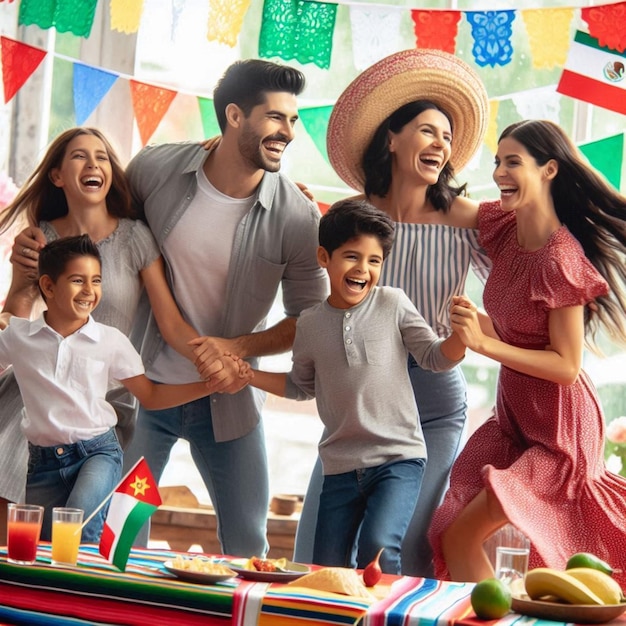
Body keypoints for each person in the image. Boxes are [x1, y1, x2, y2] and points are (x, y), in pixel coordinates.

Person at [295, 49, 491, 576]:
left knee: (399, 550)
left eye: (448, 137)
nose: (440, 144)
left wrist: (489, 338)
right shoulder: (350, 218)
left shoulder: (467, 219)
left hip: (432, 404)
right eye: (429, 130)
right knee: (315, 554)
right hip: (357, 403)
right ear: (392, 137)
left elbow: (517, 291)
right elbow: (323, 309)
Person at [122, 58, 328, 556]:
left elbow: (310, 320)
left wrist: (235, 349)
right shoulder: (154, 170)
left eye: (294, 121)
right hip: (146, 394)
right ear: (235, 115)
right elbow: (106, 239)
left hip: (229, 401)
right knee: (121, 534)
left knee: (247, 545)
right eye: (276, 118)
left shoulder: (298, 218)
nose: (288, 132)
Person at [0, 127, 237, 542]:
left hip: (104, 399)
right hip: (34, 391)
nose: (93, 164)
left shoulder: (135, 237)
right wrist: (20, 284)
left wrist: (213, 362)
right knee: (22, 519)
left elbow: (172, 323)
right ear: (57, 176)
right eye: (79, 157)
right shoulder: (39, 238)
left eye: (103, 157)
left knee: (80, 529)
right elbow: (14, 320)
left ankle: (76, 590)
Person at [428, 120, 626, 587]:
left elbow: (566, 365)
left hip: (559, 432)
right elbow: (434, 207)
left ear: (549, 169)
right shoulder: (504, 225)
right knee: (457, 535)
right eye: (497, 162)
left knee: (460, 538)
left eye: (512, 162)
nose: (499, 172)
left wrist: (485, 344)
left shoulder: (561, 259)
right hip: (517, 419)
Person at [250, 199, 466, 573]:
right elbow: (301, 386)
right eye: (352, 257)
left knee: (379, 549)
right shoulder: (310, 324)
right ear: (324, 256)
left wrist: (463, 337)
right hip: (340, 466)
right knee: (326, 567)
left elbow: (435, 357)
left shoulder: (393, 303)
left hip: (398, 458)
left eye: (374, 260)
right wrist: (248, 375)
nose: (363, 269)